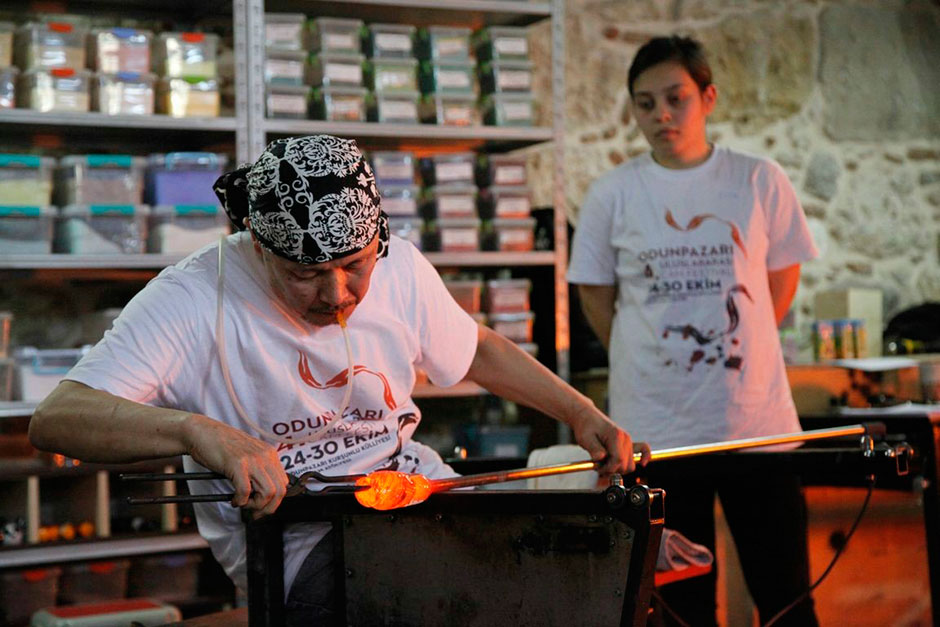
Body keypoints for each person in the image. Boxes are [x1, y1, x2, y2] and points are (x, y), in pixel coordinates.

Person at [28, 135, 649, 625]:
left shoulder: (398, 263)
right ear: (258, 247)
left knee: (563, 569)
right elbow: (57, 417)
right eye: (306, 274)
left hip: (416, 487)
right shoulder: (192, 298)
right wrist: (196, 432)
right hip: (299, 540)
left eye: (354, 265)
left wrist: (579, 411)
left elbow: (475, 347)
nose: (338, 294)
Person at [567, 36, 819, 626]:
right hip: (658, 431)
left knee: (786, 599)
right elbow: (595, 297)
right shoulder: (613, 194)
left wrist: (743, 340)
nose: (660, 116)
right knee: (679, 610)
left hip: (756, 426)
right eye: (645, 103)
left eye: (675, 99)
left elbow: (781, 280)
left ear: (707, 97)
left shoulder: (758, 180)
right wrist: (642, 356)